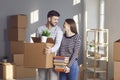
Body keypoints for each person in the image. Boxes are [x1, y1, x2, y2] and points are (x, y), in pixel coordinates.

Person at [36, 10, 63, 80]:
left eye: (57, 19)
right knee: (41, 77)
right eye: (55, 19)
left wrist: (50, 50)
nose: (57, 21)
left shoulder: (58, 29)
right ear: (49, 19)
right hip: (42, 57)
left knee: (53, 78)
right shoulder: (40, 29)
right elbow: (37, 44)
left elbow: (58, 44)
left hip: (54, 58)